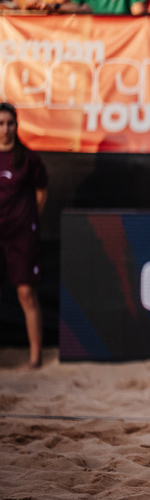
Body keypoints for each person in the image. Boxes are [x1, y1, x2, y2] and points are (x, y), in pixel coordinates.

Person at [0, 102, 48, 369]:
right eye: (1, 124)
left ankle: (35, 356)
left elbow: (42, 191)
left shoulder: (28, 159)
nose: (5, 129)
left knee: (27, 293)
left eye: (10, 123)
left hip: (21, 236)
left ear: (16, 126)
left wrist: (30, 220)